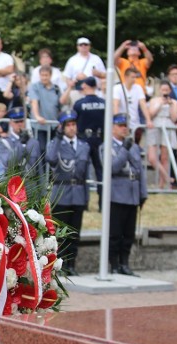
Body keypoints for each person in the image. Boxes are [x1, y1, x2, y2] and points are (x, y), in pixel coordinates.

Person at [102, 114, 147, 276]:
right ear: (112, 127)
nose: (124, 128)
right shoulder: (107, 146)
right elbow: (112, 167)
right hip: (117, 193)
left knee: (129, 233)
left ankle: (125, 263)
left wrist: (143, 193)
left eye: (125, 125)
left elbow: (140, 170)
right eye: (120, 125)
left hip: (132, 193)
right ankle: (114, 264)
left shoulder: (134, 146)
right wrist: (124, 149)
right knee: (115, 233)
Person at [46, 112, 90, 275]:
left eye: (74, 124)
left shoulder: (83, 146)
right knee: (60, 234)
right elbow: (50, 158)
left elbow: (86, 175)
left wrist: (86, 197)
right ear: (63, 128)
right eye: (68, 125)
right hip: (62, 193)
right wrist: (57, 138)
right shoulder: (56, 144)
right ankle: (61, 265)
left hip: (78, 193)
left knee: (74, 233)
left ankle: (72, 264)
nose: (72, 128)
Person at [73, 76, 105, 206]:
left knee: (82, 171)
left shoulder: (79, 104)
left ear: (85, 85)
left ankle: (84, 202)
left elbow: (74, 121)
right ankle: (102, 203)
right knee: (100, 171)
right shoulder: (103, 103)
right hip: (99, 139)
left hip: (83, 139)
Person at [146, 80, 177, 189]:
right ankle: (167, 177)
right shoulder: (154, 100)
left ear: (170, 90)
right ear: (159, 90)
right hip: (155, 126)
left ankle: (161, 184)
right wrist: (160, 104)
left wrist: (170, 105)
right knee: (152, 157)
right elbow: (150, 114)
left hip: (168, 125)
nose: (164, 92)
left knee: (165, 157)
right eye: (163, 90)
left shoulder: (174, 102)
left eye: (167, 90)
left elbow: (175, 118)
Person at [0, 106, 40, 176]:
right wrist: (21, 143)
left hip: (31, 183)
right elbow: (8, 162)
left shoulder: (34, 142)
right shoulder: (3, 142)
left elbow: (39, 169)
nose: (19, 124)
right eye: (16, 122)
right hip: (12, 184)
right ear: (10, 123)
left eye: (22, 121)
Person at [112, 68, 152, 140]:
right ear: (126, 77)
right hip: (123, 124)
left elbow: (143, 104)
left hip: (135, 124)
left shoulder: (138, 88)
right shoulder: (117, 88)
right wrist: (117, 123)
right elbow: (116, 105)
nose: (134, 79)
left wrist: (148, 120)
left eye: (135, 77)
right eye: (132, 77)